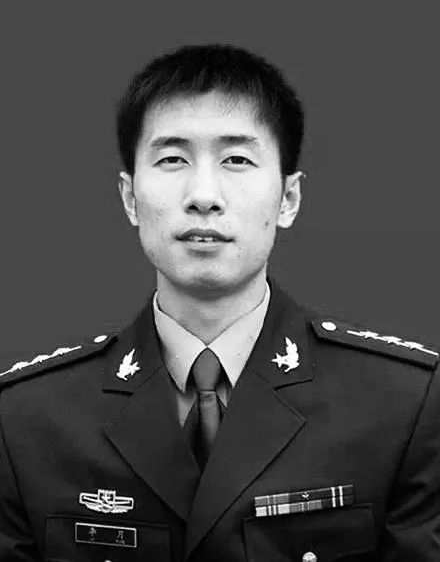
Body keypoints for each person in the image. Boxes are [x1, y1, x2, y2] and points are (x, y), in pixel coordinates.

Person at [0, 44, 439, 562]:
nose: (204, 195)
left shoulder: (405, 405)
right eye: (172, 159)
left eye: (237, 159)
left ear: (288, 199)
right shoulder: (24, 421)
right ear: (129, 197)